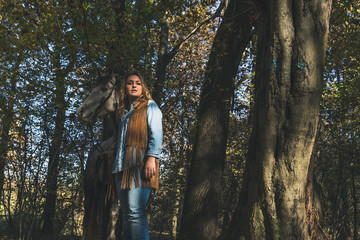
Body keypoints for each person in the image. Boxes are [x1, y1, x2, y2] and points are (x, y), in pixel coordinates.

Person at [112, 72, 163, 240]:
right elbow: (121, 141)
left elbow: (156, 133)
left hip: (139, 166)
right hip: (121, 167)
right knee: (127, 214)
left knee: (135, 212)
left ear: (143, 87)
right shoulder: (124, 113)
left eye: (138, 83)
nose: (134, 85)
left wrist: (151, 158)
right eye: (130, 83)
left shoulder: (150, 106)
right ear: (124, 88)